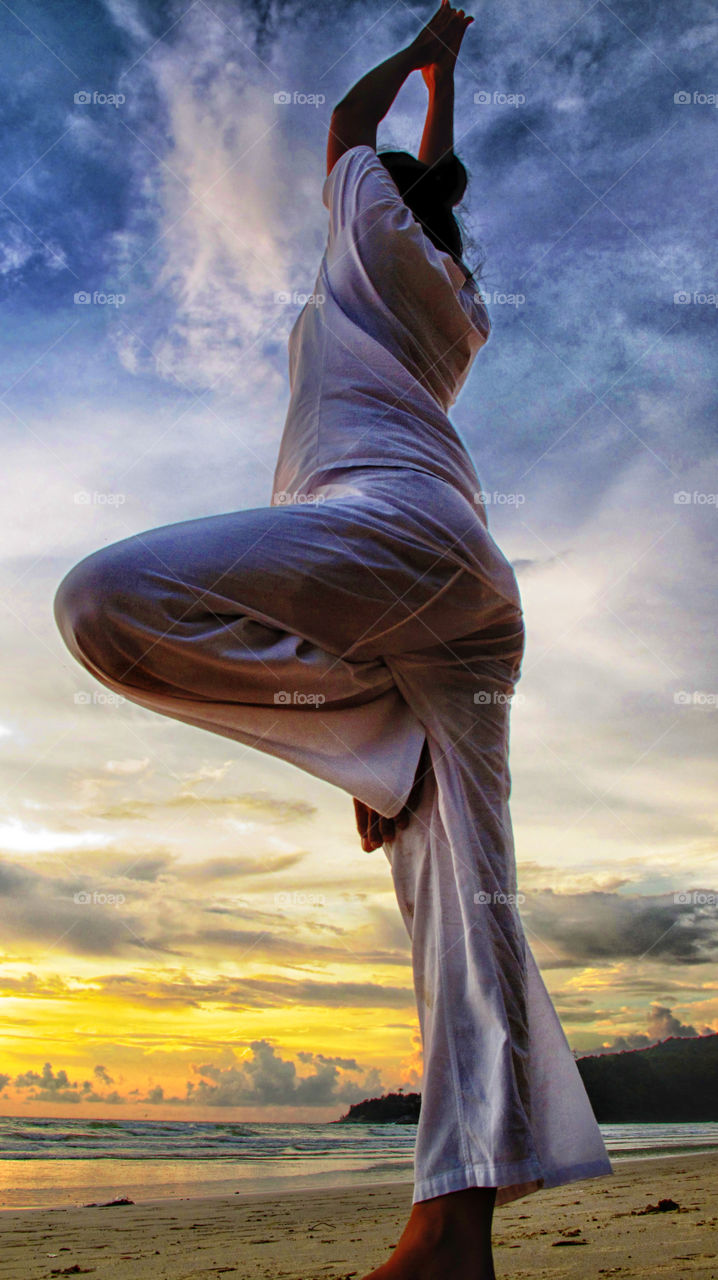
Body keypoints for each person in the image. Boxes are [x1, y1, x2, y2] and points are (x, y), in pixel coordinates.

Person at [53, 3, 613, 1276]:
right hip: (455, 591)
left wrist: (425, 52)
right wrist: (450, 97)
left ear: (380, 202)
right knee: (466, 905)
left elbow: (346, 126)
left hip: (393, 536)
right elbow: (423, 168)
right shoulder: (454, 301)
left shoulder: (366, 229)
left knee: (105, 603)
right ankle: (453, 1235)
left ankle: (378, 747)